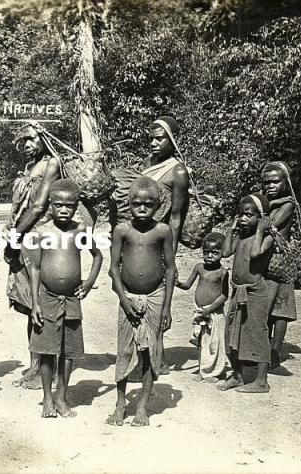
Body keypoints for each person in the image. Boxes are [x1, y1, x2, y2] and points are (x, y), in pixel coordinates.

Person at [110, 116, 190, 375]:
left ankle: (157, 359)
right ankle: (139, 356)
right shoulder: (147, 165)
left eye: (160, 138)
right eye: (152, 138)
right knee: (134, 295)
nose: (154, 143)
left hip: (159, 239)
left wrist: (172, 257)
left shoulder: (178, 171)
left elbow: (176, 216)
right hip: (138, 235)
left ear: (172, 140)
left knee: (156, 298)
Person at [28, 179, 103, 418]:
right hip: (47, 298)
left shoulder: (80, 230)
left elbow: (98, 256)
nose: (63, 210)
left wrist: (89, 283)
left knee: (68, 350)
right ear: (50, 205)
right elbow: (35, 268)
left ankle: (62, 396)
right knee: (47, 350)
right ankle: (47, 399)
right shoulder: (42, 232)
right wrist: (34, 302)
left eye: (69, 206)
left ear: (76, 206)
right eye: (58, 205)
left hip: (71, 299)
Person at [106, 177, 175, 427]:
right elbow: (114, 268)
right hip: (128, 298)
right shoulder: (122, 230)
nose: (142, 208)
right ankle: (120, 403)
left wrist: (167, 306)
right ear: (129, 204)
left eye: (148, 204)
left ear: (158, 206)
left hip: (155, 298)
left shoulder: (162, 231)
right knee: (124, 351)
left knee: (149, 353)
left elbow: (170, 270)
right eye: (137, 204)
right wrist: (124, 300)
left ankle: (143, 405)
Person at [6, 124, 62, 390]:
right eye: (23, 141)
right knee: (30, 302)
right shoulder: (28, 168)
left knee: (42, 300)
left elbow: (40, 205)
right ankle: (34, 365)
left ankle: (44, 368)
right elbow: (20, 206)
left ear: (44, 138)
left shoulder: (52, 164)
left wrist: (16, 235)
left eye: (31, 139)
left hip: (41, 238)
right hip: (25, 237)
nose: (26, 144)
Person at [219, 193, 273, 393]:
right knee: (232, 332)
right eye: (240, 214)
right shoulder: (241, 236)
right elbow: (225, 252)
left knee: (258, 334)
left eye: (248, 215)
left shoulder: (267, 238)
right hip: (238, 292)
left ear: (261, 218)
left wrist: (260, 230)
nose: (242, 219)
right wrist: (232, 230)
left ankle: (261, 381)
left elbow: (254, 254)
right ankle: (238, 375)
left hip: (255, 292)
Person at [176, 232, 228, 383]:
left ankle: (217, 372)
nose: (210, 256)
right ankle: (203, 369)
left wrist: (210, 309)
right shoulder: (199, 268)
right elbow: (187, 285)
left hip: (214, 313)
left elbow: (224, 295)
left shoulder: (223, 272)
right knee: (200, 341)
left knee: (215, 343)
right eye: (206, 252)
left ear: (222, 253)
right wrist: (177, 283)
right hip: (199, 311)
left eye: (215, 253)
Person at [261, 162, 298, 370]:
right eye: (267, 183)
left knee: (281, 309)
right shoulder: (269, 202)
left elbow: (271, 224)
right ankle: (264, 346)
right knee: (265, 305)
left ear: (286, 183)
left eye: (275, 181)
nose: (270, 186)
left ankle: (275, 349)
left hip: (280, 259)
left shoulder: (288, 204)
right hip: (265, 259)